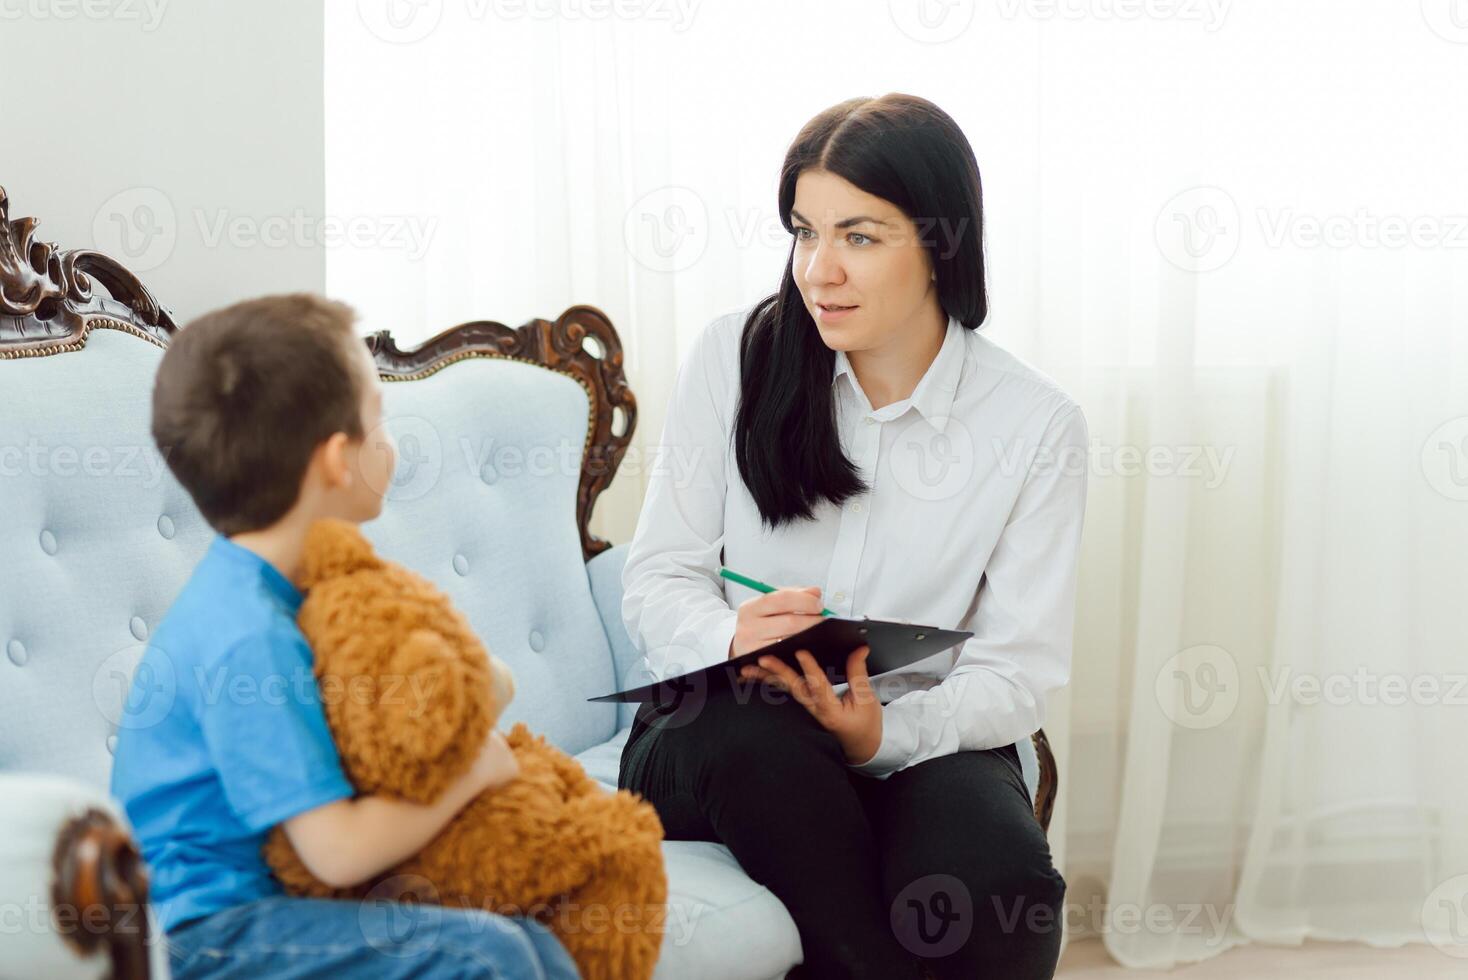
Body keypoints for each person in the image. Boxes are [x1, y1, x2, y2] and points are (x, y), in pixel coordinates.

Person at [618, 94, 1088, 979]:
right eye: (804, 232)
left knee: (993, 885)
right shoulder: (734, 357)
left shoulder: (1036, 424)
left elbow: (1017, 668)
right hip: (719, 735)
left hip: (920, 727)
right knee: (766, 743)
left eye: (860, 237)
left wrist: (881, 738)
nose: (818, 271)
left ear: (941, 247)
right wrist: (731, 635)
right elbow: (658, 577)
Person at [110, 294, 579, 979]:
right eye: (378, 423)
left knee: (533, 941)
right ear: (337, 459)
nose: (389, 443)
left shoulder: (290, 593)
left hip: (266, 908)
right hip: (206, 937)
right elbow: (338, 851)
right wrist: (474, 770)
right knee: (488, 952)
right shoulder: (247, 632)